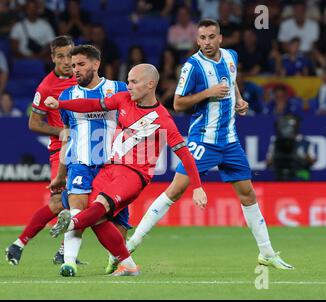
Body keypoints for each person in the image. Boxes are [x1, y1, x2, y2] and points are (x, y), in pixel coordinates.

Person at [124, 19, 295, 270]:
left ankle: (267, 252)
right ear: (197, 40)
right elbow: (178, 103)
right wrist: (208, 92)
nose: (207, 43)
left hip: (230, 140)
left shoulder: (231, 56)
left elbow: (232, 78)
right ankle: (128, 247)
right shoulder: (192, 66)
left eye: (211, 37)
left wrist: (239, 99)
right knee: (176, 190)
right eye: (202, 38)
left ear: (220, 38)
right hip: (203, 139)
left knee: (247, 193)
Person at [45, 63, 207, 276]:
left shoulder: (163, 119)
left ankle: (71, 223)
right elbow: (92, 104)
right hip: (110, 168)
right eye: (128, 81)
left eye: (133, 82)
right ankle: (128, 265)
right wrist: (61, 104)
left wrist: (197, 187)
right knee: (95, 217)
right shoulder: (123, 100)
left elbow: (185, 155)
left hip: (134, 174)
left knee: (99, 206)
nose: (128, 86)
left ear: (150, 84)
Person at [46, 44, 131, 277]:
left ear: (96, 64)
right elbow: (67, 136)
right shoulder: (67, 96)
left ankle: (117, 259)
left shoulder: (118, 89)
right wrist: (60, 175)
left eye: (81, 64)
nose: (76, 70)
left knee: (119, 222)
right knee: (77, 208)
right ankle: (69, 262)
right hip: (80, 162)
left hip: (114, 166)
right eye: (73, 66)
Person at [5, 36, 78, 266]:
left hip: (88, 148)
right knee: (59, 203)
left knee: (81, 201)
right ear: (52, 58)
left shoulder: (83, 75)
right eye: (60, 56)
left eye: (69, 55)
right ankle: (18, 244)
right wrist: (60, 131)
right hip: (61, 149)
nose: (66, 61)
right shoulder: (47, 87)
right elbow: (34, 123)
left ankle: (64, 252)